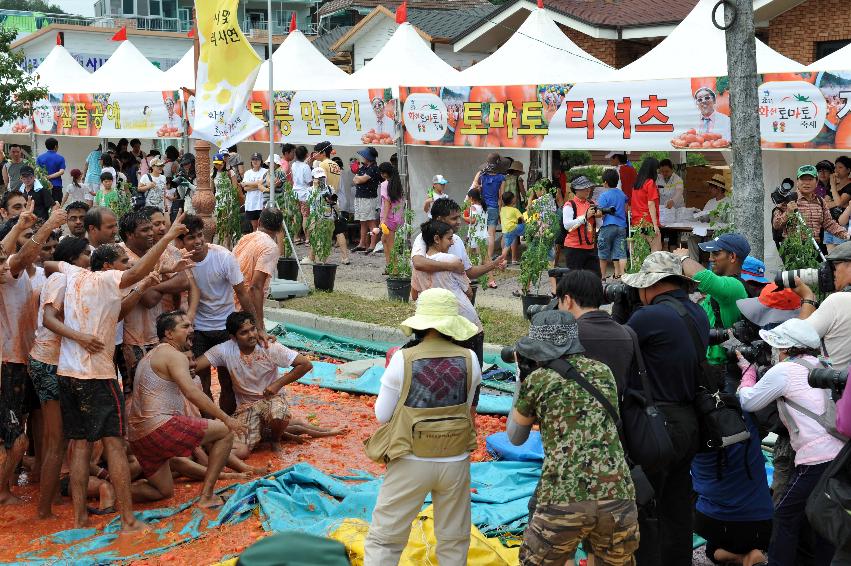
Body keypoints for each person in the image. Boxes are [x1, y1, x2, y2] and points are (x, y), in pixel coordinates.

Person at [52, 214, 187, 531]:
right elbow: (136, 272)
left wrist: (146, 281)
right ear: (109, 266)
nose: (128, 264)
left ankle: (79, 519)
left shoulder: (75, 274)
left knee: (82, 446)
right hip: (96, 376)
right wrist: (166, 239)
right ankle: (128, 521)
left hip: (67, 374)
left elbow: (117, 309)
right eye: (123, 261)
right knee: (114, 445)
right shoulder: (105, 279)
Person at [508, 310, 638, 565]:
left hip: (563, 496)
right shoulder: (604, 372)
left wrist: (520, 380)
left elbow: (515, 437)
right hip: (617, 494)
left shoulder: (539, 380)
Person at [364, 288, 482, 565]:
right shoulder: (471, 359)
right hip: (455, 458)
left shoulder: (402, 360)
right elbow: (464, 408)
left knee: (385, 539)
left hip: (410, 457)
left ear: (421, 323)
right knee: (454, 539)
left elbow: (382, 415)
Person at [621, 251, 707, 566]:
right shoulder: (697, 313)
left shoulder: (648, 317)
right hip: (690, 420)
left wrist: (622, 314)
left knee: (644, 500)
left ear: (650, 286)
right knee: (678, 501)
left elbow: (621, 349)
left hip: (656, 423)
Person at [737, 318, 843, 566]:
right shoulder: (819, 363)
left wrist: (747, 373)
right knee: (820, 516)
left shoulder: (785, 370)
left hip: (816, 457)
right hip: (839, 452)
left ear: (784, 347)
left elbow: (749, 401)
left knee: (785, 515)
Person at [127, 310, 247, 508]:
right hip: (159, 428)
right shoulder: (173, 355)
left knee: (163, 491)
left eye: (191, 325)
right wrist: (226, 418)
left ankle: (113, 492)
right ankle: (207, 496)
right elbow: (191, 392)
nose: (191, 329)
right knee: (225, 432)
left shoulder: (150, 356)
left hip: (138, 438)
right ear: (169, 334)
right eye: (185, 326)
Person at [196, 311, 342, 453]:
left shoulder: (269, 347)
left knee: (279, 414)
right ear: (233, 337)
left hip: (272, 399)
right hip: (246, 407)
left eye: (253, 329)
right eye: (244, 332)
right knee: (241, 450)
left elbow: (306, 364)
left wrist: (277, 384)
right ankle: (287, 430)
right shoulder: (224, 350)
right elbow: (197, 365)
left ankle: (276, 439)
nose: (252, 335)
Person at [0, 203, 67, 506]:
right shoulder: (8, 268)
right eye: (27, 236)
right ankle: (3, 492)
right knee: (15, 436)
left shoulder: (42, 273)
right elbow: (23, 255)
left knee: (37, 423)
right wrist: (49, 223)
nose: (35, 243)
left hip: (35, 359)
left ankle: (33, 476)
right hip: (9, 359)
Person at [29, 236, 91, 518]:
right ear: (73, 258)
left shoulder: (71, 278)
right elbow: (49, 319)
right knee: (56, 441)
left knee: (59, 439)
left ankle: (50, 499)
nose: (90, 258)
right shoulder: (60, 280)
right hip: (48, 363)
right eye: (86, 254)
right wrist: (81, 338)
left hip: (56, 363)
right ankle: (43, 510)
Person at [177, 214, 261, 415]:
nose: (198, 241)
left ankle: (229, 425)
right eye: (191, 238)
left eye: (200, 236)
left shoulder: (223, 257)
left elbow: (242, 292)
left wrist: (257, 327)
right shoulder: (178, 261)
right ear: (180, 241)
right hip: (198, 331)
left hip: (225, 328)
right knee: (200, 382)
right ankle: (211, 426)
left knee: (228, 381)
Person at [411, 198, 505, 366]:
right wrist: (451, 266)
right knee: (467, 368)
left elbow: (468, 271)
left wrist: (493, 264)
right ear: (439, 221)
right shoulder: (422, 239)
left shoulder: (457, 241)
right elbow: (418, 262)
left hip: (437, 320)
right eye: (454, 218)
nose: (459, 222)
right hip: (450, 319)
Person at [691, 410, 773, 566]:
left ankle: (742, 558)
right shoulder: (749, 415)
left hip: (714, 524)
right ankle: (755, 552)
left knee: (711, 550)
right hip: (761, 524)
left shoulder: (693, 428)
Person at [675, 233, 751, 391]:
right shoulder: (720, 288)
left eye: (716, 254)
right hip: (707, 365)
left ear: (732, 257)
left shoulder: (734, 287)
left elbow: (703, 277)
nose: (710, 258)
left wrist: (682, 258)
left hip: (721, 371)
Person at [556, 269, 635, 395]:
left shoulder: (564, 335)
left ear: (567, 300)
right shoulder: (627, 333)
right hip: (615, 411)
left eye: (558, 302)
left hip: (572, 410)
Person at [411, 219, 482, 337]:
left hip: (431, 326)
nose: (452, 242)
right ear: (437, 239)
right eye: (449, 238)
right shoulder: (453, 262)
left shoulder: (418, 266)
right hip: (463, 323)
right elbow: (469, 293)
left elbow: (414, 296)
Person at [792, 240, 851, 370]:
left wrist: (808, 298)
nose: (832, 273)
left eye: (835, 266)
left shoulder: (838, 301)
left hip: (835, 386)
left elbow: (796, 341)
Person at [772, 165, 848, 249]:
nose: (806, 183)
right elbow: (776, 225)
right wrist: (788, 213)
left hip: (814, 248)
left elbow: (829, 224)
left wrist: (846, 235)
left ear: (816, 182)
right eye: (803, 179)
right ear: (797, 182)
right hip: (793, 249)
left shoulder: (820, 201)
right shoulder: (788, 199)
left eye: (810, 179)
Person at [233, 207, 282, 334]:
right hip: (241, 309)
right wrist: (259, 325)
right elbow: (255, 287)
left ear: (259, 222)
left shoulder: (246, 238)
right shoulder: (270, 247)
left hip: (228, 302)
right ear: (280, 228)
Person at [562, 175, 601, 275]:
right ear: (576, 190)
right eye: (584, 188)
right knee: (575, 279)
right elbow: (567, 226)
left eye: (589, 187)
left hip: (590, 247)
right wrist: (585, 217)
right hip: (574, 248)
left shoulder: (592, 203)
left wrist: (598, 217)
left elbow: (598, 226)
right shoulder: (569, 204)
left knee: (595, 277)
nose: (588, 190)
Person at [473, 153, 506, 271]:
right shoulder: (501, 177)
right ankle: (489, 260)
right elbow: (500, 196)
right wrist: (500, 209)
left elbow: (475, 187)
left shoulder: (482, 175)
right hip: (493, 207)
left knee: (481, 233)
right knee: (491, 234)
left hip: (482, 207)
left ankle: (480, 259)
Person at [596, 168, 629, 279]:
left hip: (608, 226)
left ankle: (603, 277)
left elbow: (600, 213)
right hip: (621, 226)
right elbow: (625, 210)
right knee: (621, 253)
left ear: (605, 183)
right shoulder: (622, 194)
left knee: (603, 254)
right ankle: (623, 276)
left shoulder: (603, 196)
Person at [352, 146, 381, 253]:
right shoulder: (364, 167)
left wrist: (359, 178)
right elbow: (355, 179)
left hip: (368, 198)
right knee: (362, 221)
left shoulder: (374, 169)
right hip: (360, 197)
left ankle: (372, 245)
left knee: (371, 222)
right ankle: (362, 243)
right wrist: (359, 178)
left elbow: (360, 179)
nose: (362, 157)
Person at [631, 157, 662, 252]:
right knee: (656, 250)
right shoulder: (650, 183)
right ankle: (653, 267)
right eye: (657, 169)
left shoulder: (636, 184)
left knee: (638, 252)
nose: (658, 171)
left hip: (637, 222)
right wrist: (655, 225)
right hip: (648, 221)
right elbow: (651, 203)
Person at [378, 161, 404, 272]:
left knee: (390, 244)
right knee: (384, 240)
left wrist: (383, 220)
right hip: (397, 217)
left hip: (388, 218)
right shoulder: (397, 183)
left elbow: (387, 203)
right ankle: (389, 266)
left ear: (384, 174)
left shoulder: (384, 185)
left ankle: (395, 269)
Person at [823, 155, 851, 250]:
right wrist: (838, 202)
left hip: (842, 226)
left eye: (840, 167)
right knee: (831, 256)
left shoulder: (849, 186)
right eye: (835, 167)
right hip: (829, 224)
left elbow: (839, 203)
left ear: (848, 170)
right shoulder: (835, 186)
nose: (836, 170)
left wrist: (832, 185)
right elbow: (825, 204)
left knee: (840, 256)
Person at [241, 153, 268, 232]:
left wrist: (248, 183)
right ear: (251, 161)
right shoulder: (247, 173)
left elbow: (264, 183)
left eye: (257, 159)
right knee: (254, 227)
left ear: (261, 161)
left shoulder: (265, 171)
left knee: (262, 226)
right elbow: (245, 188)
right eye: (253, 159)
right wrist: (258, 185)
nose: (255, 161)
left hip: (262, 203)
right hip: (251, 203)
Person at [36, 137, 65, 204]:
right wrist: (50, 177)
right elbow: (61, 171)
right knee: (56, 206)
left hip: (43, 185)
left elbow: (37, 171)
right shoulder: (60, 158)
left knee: (43, 206)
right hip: (56, 185)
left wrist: (46, 178)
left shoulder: (40, 157)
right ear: (56, 146)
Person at [499, 191, 525, 264]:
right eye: (514, 197)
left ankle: (503, 260)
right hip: (513, 228)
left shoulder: (502, 209)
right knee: (527, 227)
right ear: (512, 200)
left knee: (507, 246)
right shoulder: (515, 210)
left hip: (506, 230)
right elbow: (524, 219)